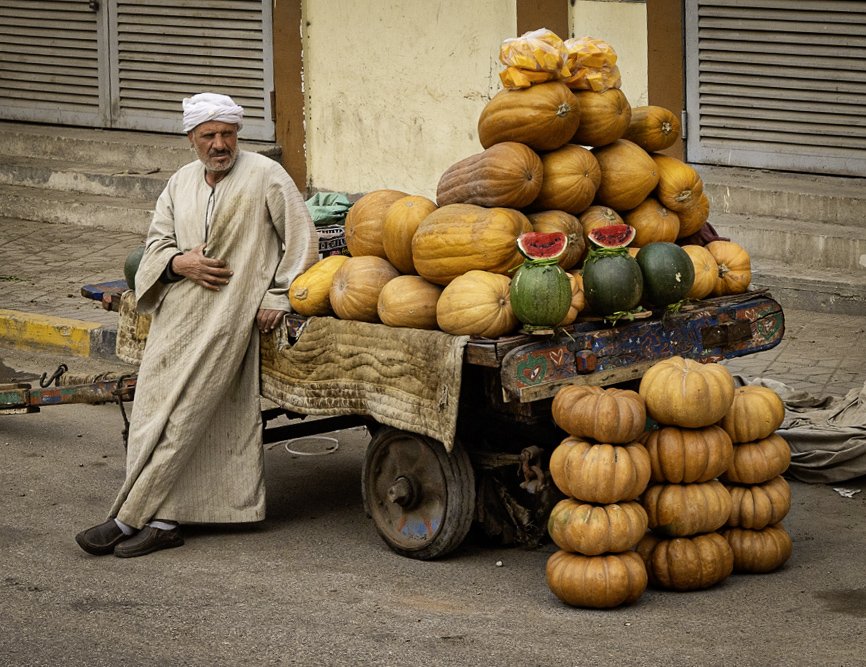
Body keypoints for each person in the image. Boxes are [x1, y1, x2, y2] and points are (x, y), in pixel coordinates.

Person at [75, 93, 319, 558]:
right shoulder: (180, 182)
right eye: (208, 135)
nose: (219, 144)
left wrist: (279, 295)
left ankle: (134, 518)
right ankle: (156, 516)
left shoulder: (266, 175)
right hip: (176, 318)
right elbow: (155, 244)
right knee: (151, 413)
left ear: (238, 134)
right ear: (192, 138)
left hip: (229, 317)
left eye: (227, 133)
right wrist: (178, 263)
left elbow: (301, 240)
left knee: (188, 416)